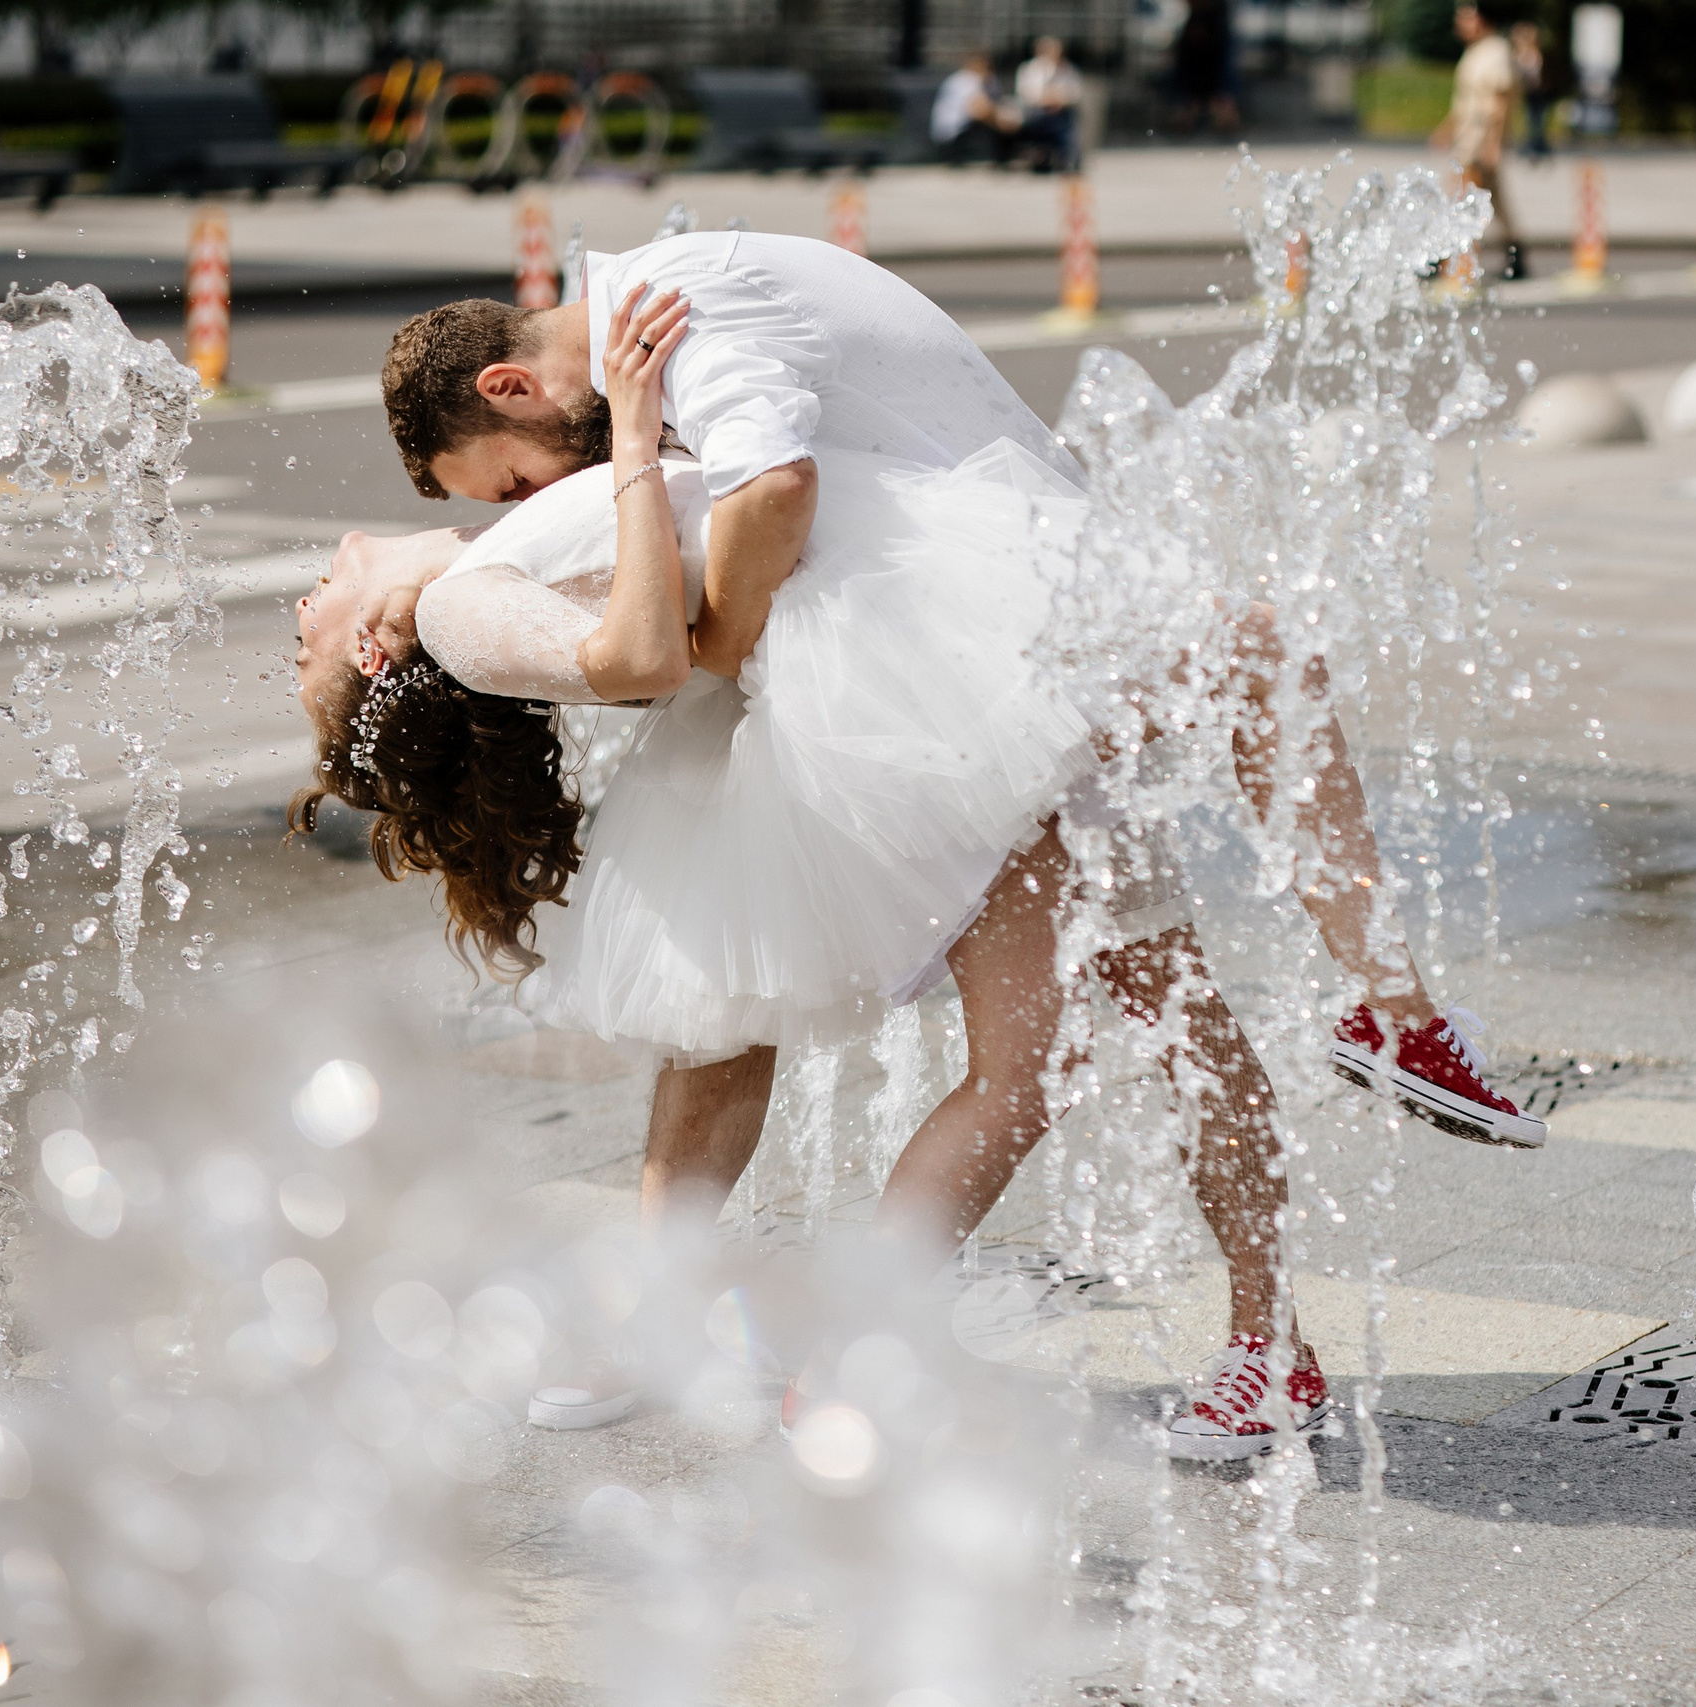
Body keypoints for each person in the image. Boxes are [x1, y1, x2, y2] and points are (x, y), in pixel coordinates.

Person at [303, 234, 1545, 1448]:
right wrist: (625, 476)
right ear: (372, 649)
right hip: (952, 685)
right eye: (315, 614)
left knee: (1088, 1039)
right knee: (1227, 754)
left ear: (508, 388)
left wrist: (540, 509)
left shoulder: (658, 330)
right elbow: (733, 538)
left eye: (508, 480)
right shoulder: (540, 508)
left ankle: (1226, 1324)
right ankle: (1383, 1032)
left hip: (969, 664)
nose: (316, 583)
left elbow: (700, 527)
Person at [1431, 3, 1524, 282]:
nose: (1460, 24)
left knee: (1460, 197)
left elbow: (1499, 99)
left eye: (1466, 18)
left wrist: (1493, 144)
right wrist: (1448, 128)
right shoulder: (1477, 51)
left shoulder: (1495, 51)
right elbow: (1467, 100)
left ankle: (1448, 259)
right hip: (1469, 139)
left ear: (1482, 19)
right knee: (1492, 199)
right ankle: (1514, 253)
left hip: (1479, 141)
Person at [932, 50, 1019, 165]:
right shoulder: (964, 80)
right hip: (951, 135)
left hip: (966, 128)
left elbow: (998, 104)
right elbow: (979, 110)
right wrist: (1004, 124)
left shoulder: (990, 80)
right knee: (994, 121)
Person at [1168, 0, 1240, 136]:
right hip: (1195, 82)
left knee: (1222, 104)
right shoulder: (1193, 28)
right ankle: (1192, 106)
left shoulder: (1218, 26)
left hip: (1214, 80)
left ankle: (1218, 103)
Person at [1014, 37, 1083, 173]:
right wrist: (1047, 99)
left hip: (1061, 111)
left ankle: (1069, 159)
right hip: (1036, 111)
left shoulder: (1068, 69)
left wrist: (1059, 99)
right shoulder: (1029, 69)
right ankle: (1042, 156)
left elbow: (1075, 94)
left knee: (1068, 122)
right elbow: (1025, 94)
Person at [1509, 21, 1556, 160]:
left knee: (1537, 118)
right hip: (1528, 91)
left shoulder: (1532, 53)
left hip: (1537, 92)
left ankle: (1538, 144)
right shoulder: (1522, 53)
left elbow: (1532, 73)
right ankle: (1534, 143)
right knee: (1530, 118)